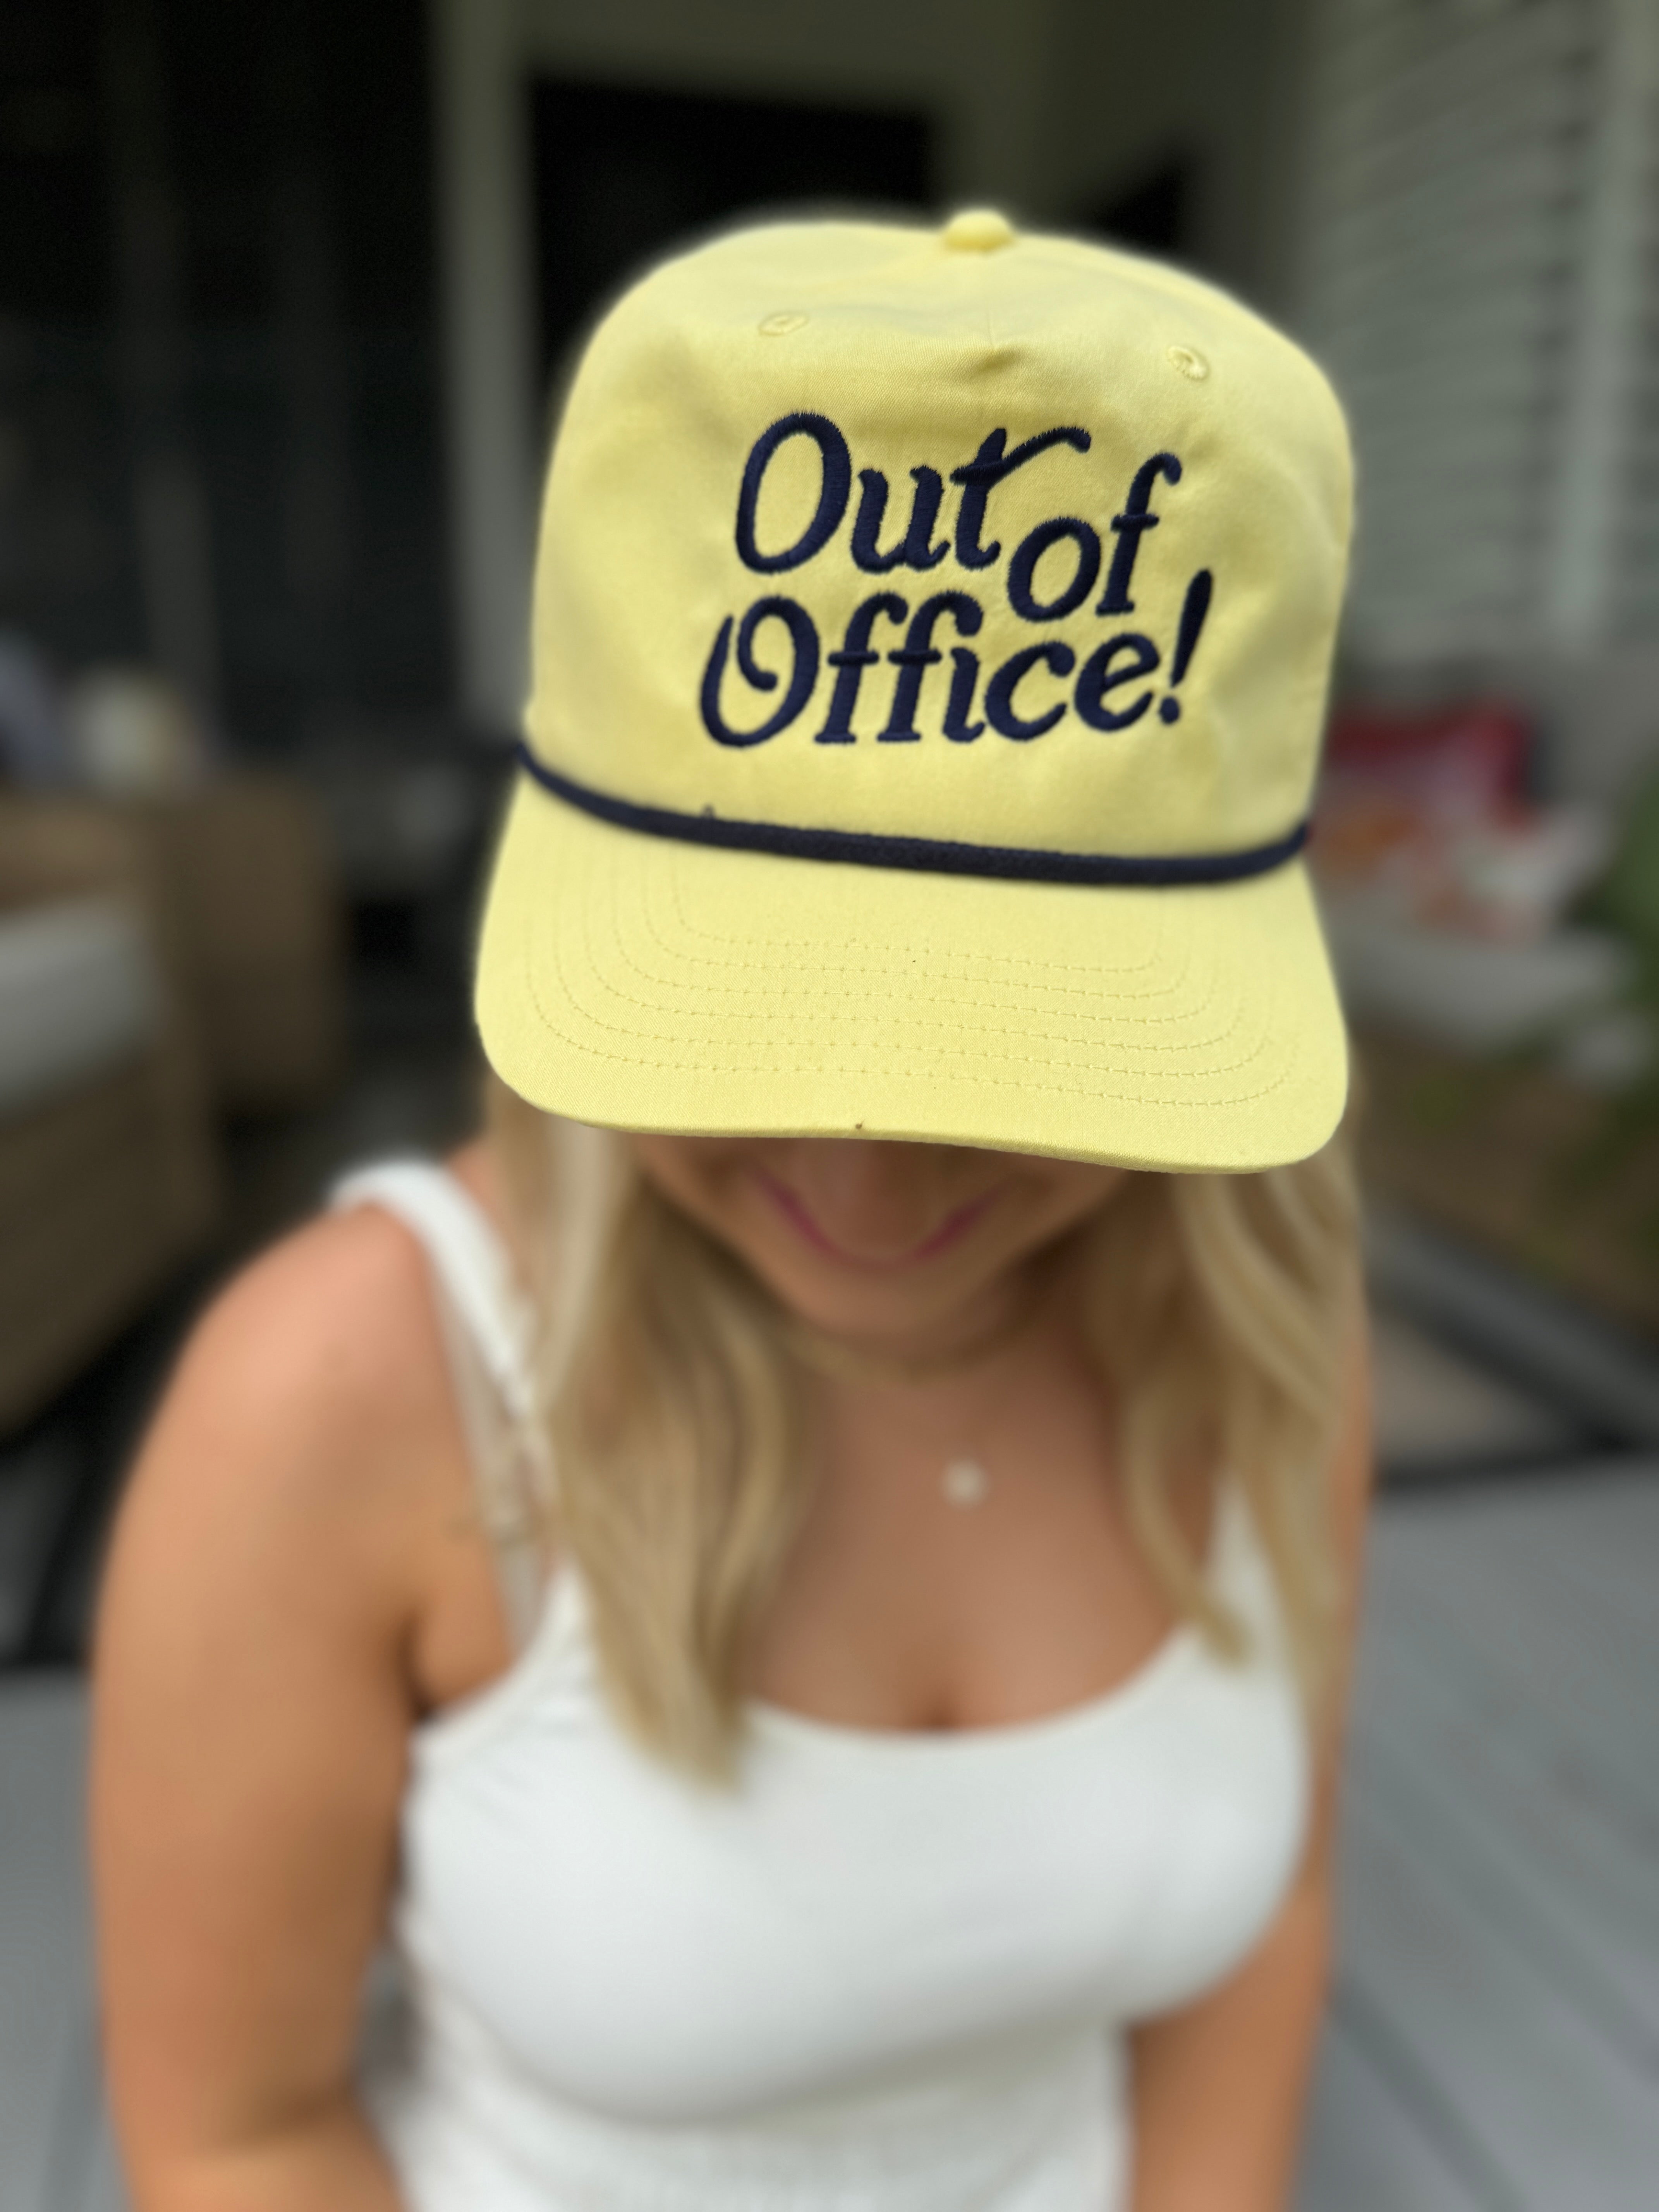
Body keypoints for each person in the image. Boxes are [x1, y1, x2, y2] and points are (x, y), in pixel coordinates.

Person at [92, 208, 1370, 2212]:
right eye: (746, 1010)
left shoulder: (1262, 1331)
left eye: (1026, 1044)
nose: (867, 1186)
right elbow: (237, 2131)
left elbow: (1266, 1926)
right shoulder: (341, 1388)